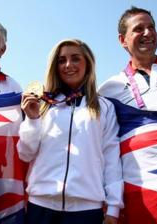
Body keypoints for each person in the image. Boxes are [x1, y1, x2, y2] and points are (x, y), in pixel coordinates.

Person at [18, 39, 123, 224]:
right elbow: (25, 154)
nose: (68, 65)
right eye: (61, 60)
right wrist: (32, 120)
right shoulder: (43, 104)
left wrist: (114, 208)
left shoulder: (104, 107)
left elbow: (111, 159)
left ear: (87, 63)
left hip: (86, 211)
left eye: (75, 59)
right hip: (40, 207)